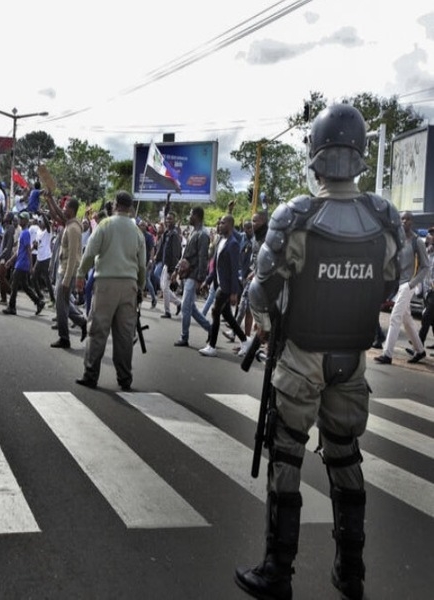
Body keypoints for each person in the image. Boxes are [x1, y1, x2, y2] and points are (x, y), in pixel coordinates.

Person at [235, 104, 401, 600]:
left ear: (317, 156)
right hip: (352, 362)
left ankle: (278, 571)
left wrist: (264, 328)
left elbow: (260, 292)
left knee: (286, 455)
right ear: (358, 155)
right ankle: (351, 572)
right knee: (346, 457)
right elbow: (395, 279)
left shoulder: (297, 217)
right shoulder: (384, 217)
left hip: (302, 359)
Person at [73, 191, 146, 389]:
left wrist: (80, 274)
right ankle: (125, 379)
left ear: (115, 205)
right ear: (131, 208)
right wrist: (140, 286)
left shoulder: (105, 225)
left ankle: (91, 375)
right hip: (129, 285)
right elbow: (142, 266)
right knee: (124, 335)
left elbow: (90, 253)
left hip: (106, 283)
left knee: (97, 331)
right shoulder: (137, 231)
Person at [374, 210, 430, 364]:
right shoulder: (398, 240)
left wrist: (413, 283)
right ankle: (420, 350)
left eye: (407, 219)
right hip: (398, 283)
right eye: (402, 219)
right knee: (407, 320)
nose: (404, 221)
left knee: (395, 316)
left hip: (408, 284)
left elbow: (426, 266)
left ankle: (387, 354)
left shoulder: (416, 241)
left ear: (412, 222)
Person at [198, 215, 248, 357]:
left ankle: (212, 346)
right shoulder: (221, 240)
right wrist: (207, 281)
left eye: (223, 223)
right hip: (219, 283)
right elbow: (217, 267)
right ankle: (245, 341)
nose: (220, 225)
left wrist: (234, 292)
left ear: (230, 226)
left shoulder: (233, 244)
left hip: (226, 287)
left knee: (215, 312)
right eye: (219, 223)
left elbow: (234, 269)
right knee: (227, 315)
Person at [49, 197, 88, 348]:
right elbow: (57, 214)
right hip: (64, 270)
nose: (63, 209)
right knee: (63, 303)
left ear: (71, 210)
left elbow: (73, 256)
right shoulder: (70, 223)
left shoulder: (73, 228)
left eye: (65, 207)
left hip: (67, 271)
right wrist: (50, 198)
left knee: (61, 305)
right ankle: (82, 322)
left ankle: (64, 338)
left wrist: (66, 279)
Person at [172, 206, 212, 347]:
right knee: (191, 308)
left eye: (190, 214)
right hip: (187, 274)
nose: (188, 217)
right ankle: (210, 329)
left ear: (196, 216)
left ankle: (184, 337)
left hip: (194, 276)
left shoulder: (203, 234)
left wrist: (200, 279)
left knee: (185, 307)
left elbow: (203, 259)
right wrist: (177, 270)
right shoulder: (193, 232)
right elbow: (185, 256)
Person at [2, 212, 45, 316]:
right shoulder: (23, 232)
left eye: (22, 219)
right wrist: (11, 260)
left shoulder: (25, 233)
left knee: (14, 285)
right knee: (25, 286)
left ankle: (12, 307)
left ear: (26, 220)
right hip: (21, 262)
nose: (19, 220)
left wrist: (31, 266)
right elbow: (20, 251)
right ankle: (39, 302)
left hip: (22, 263)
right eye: (19, 218)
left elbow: (28, 251)